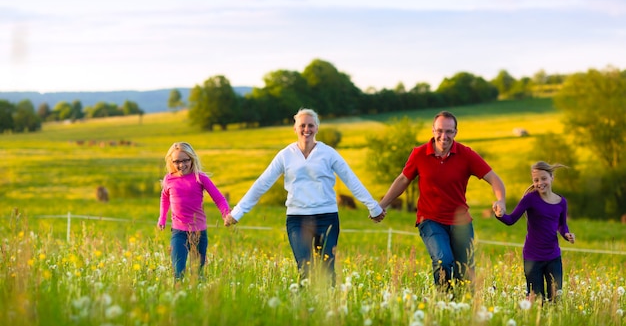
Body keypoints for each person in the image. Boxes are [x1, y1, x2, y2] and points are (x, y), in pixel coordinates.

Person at [224, 108, 385, 283]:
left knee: (327, 272)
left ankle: (329, 307)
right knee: (305, 271)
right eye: (302, 125)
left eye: (310, 125)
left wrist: (373, 207)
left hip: (327, 218)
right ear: (295, 128)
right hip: (297, 219)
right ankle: (303, 309)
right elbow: (262, 184)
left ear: (317, 128)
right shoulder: (285, 155)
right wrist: (238, 212)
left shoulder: (328, 153)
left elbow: (351, 180)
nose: (306, 129)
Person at [378, 110, 507, 291]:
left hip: (460, 222)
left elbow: (494, 179)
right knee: (443, 260)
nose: (443, 136)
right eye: (439, 131)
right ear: (433, 130)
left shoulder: (466, 155)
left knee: (465, 274)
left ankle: (462, 309)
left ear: (455, 132)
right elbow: (402, 180)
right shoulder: (419, 154)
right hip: (430, 220)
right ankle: (443, 303)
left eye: (449, 131)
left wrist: (500, 200)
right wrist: (381, 205)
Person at [494, 161, 575, 302]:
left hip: (553, 257)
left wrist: (566, 234)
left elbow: (562, 225)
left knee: (555, 299)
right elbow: (511, 219)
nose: (540, 183)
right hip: (532, 258)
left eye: (543, 178)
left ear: (551, 177)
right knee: (536, 300)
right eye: (536, 180)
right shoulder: (530, 199)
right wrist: (499, 214)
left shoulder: (561, 202)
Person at [158, 142, 230, 280]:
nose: (181, 165)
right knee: (178, 272)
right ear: (171, 161)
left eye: (186, 160)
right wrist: (162, 218)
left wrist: (226, 214)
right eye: (177, 161)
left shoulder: (200, 178)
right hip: (178, 232)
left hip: (199, 232)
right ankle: (179, 297)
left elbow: (219, 198)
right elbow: (164, 197)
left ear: (192, 159)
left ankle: (197, 297)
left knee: (197, 274)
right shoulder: (169, 179)